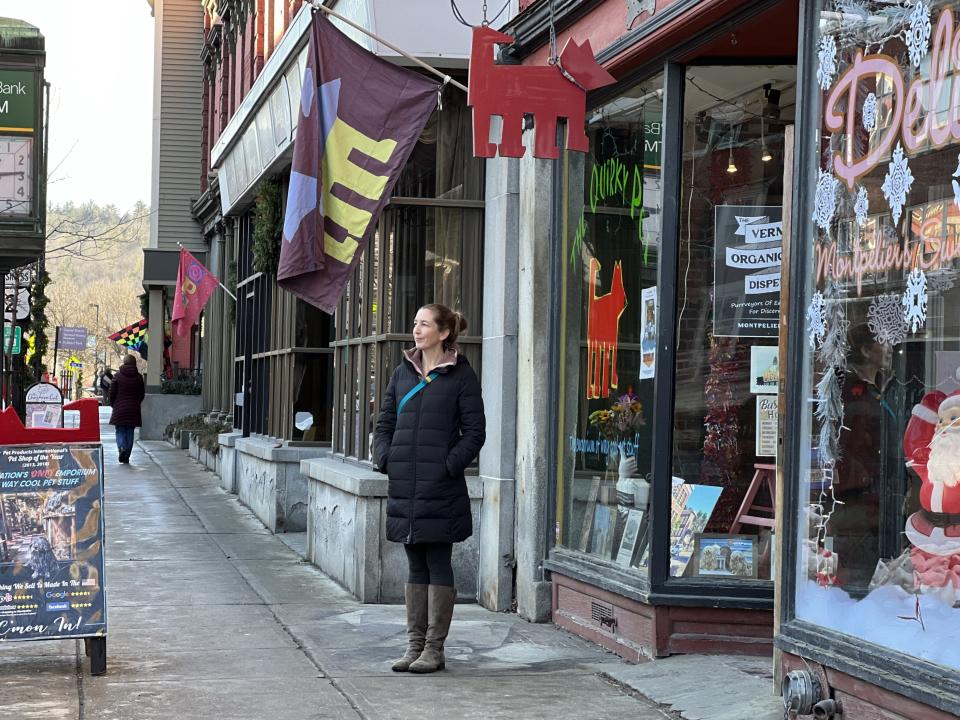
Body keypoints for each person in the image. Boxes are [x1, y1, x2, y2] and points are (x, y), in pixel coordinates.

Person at [374, 304, 485, 674]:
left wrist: (448, 465)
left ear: (442, 333)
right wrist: (385, 457)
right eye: (415, 322)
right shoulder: (401, 373)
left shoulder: (461, 376)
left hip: (441, 487)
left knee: (437, 561)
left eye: (424, 324)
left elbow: (475, 433)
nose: (416, 329)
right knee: (414, 562)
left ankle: (434, 649)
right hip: (405, 484)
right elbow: (384, 421)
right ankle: (414, 647)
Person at [109, 355, 145, 464]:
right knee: (130, 431)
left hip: (119, 408)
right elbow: (141, 394)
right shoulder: (139, 377)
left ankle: (121, 448)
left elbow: (112, 393)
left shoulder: (117, 376)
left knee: (120, 430)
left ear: (124, 363)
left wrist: (113, 404)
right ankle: (127, 455)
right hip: (133, 409)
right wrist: (136, 403)